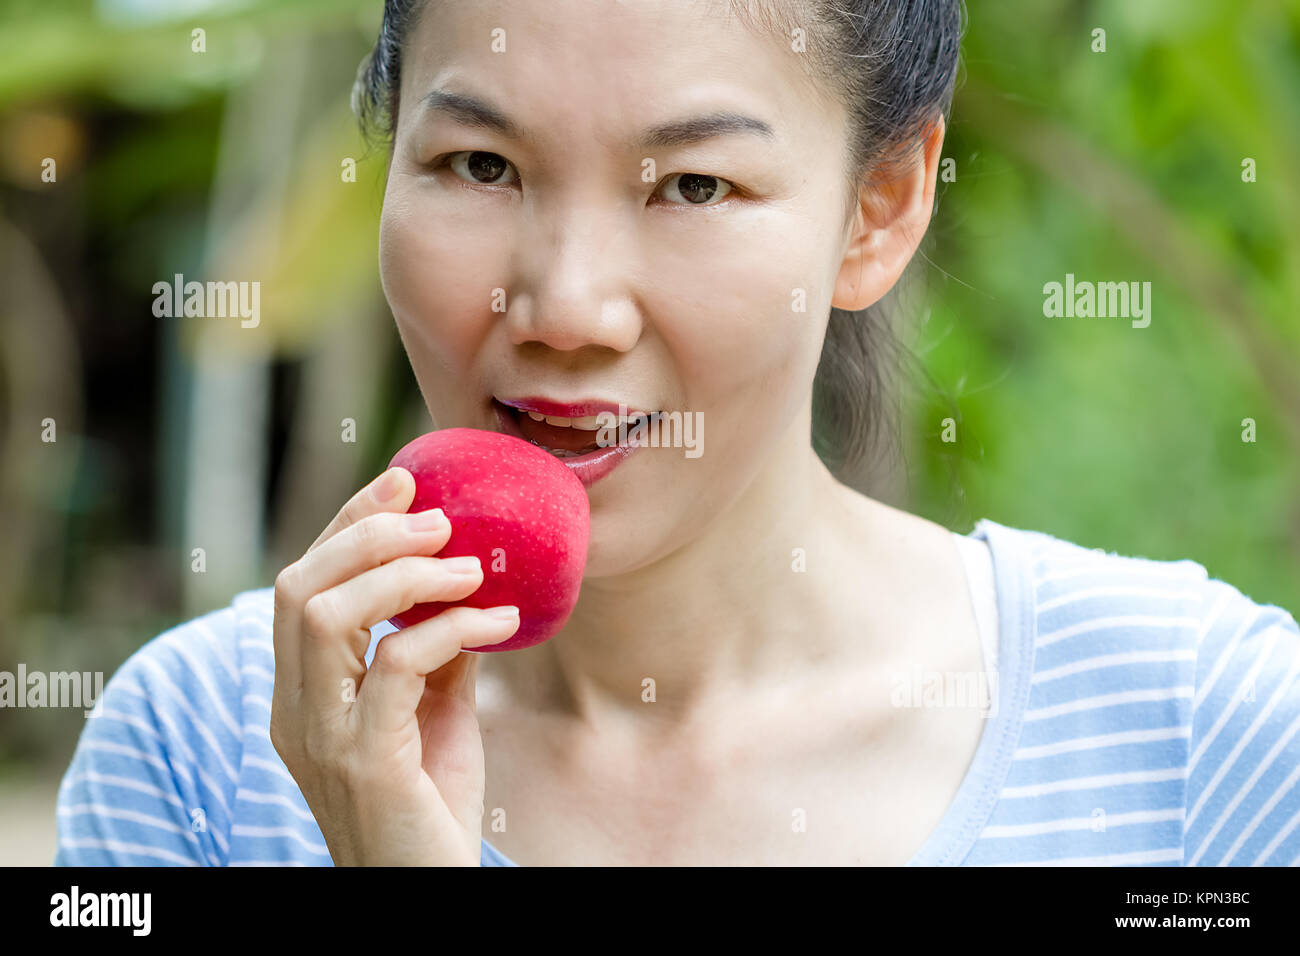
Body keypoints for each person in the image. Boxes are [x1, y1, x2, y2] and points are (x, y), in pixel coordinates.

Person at [56, 0, 1300, 866]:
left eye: (692, 186)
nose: (564, 308)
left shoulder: (1206, 733)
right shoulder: (203, 754)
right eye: (481, 165)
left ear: (882, 208)